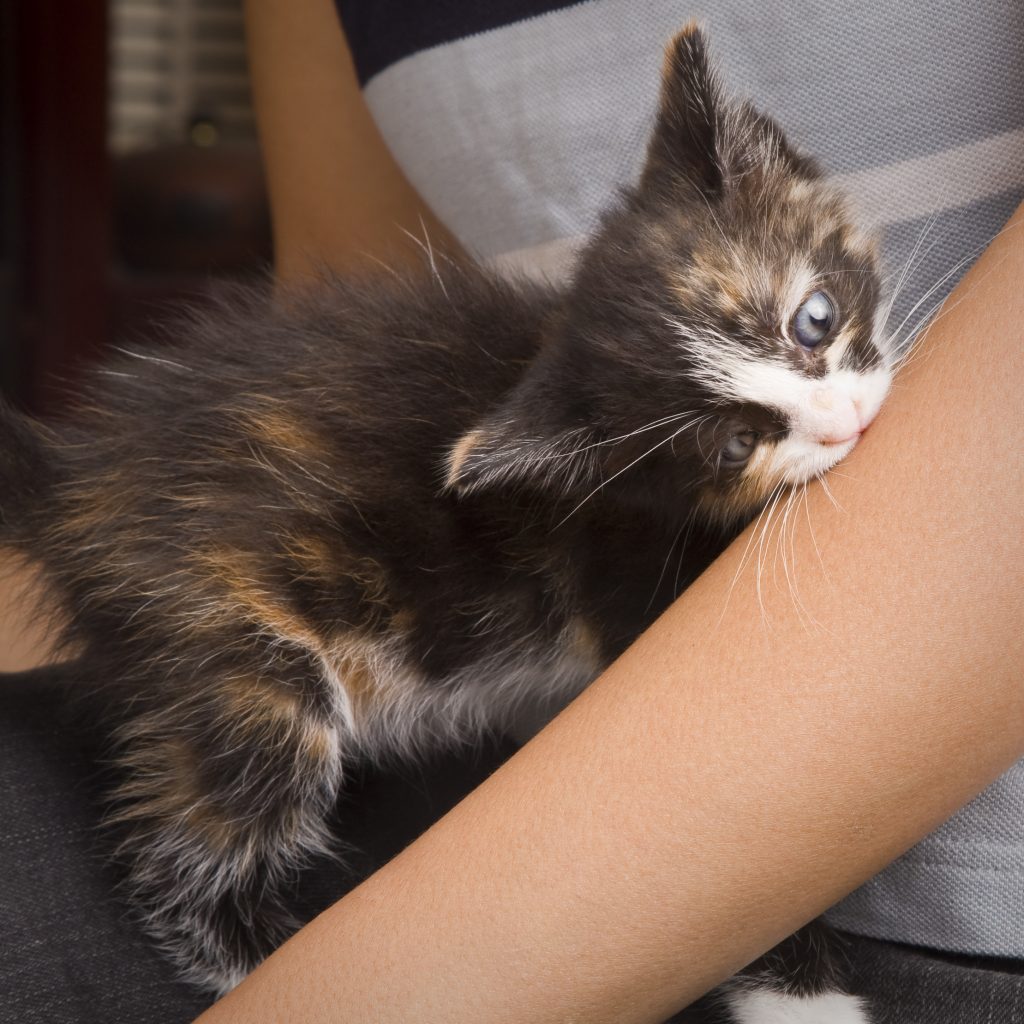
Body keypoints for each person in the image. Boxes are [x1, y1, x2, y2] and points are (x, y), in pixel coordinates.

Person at [2, 1, 1022, 1021]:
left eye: (813, 323)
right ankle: (210, 914)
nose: (840, 413)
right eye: (732, 444)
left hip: (942, 900)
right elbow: (339, 273)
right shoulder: (620, 473)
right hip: (477, 762)